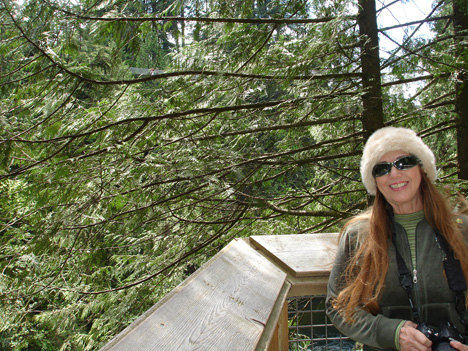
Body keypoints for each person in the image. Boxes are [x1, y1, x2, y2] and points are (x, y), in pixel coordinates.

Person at [326, 126, 468, 351]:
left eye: (404, 162)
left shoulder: (461, 230)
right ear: (375, 182)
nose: (394, 174)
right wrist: (392, 334)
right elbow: (340, 306)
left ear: (422, 168)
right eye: (381, 168)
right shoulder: (359, 236)